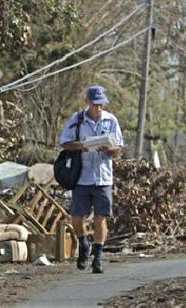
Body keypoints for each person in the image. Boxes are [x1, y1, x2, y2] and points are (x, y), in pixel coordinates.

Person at [59, 85, 123, 273]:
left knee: (100, 217)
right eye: (94, 104)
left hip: (103, 176)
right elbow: (65, 143)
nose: (98, 108)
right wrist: (82, 146)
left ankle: (98, 257)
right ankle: (83, 242)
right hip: (82, 176)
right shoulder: (77, 119)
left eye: (101, 104)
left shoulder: (111, 120)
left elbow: (119, 148)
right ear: (87, 102)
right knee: (77, 218)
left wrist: (109, 148)